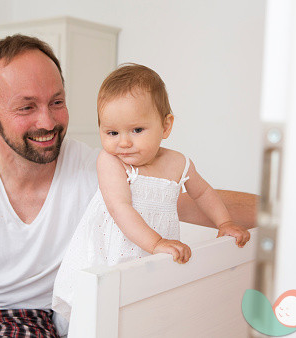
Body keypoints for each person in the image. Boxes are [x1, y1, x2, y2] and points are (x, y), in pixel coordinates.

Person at [0, 35, 257, 337]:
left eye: (57, 102)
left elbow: (181, 200)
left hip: (22, 314)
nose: (48, 121)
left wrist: (287, 207)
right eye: (27, 107)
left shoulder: (99, 170)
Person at [52, 64, 251, 326]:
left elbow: (203, 193)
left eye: (136, 130)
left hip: (155, 251)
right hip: (109, 255)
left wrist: (223, 222)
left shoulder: (178, 162)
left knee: (149, 310)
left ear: (165, 126)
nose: (123, 142)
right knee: (98, 315)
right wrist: (156, 243)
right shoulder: (111, 162)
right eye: (112, 132)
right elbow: (120, 208)